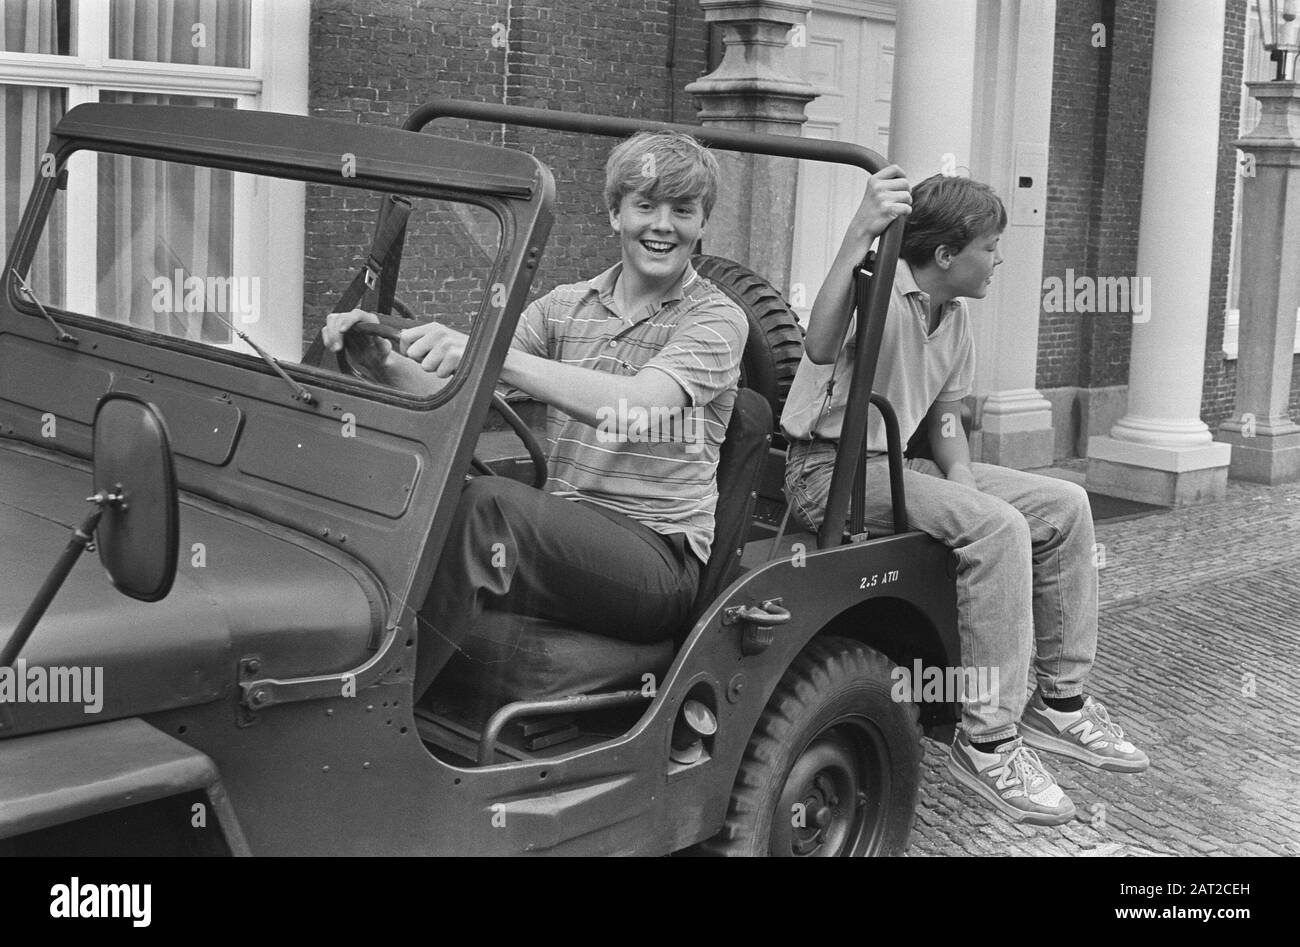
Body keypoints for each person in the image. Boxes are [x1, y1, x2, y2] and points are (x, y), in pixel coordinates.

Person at [780, 168, 1147, 826]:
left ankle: (1059, 703)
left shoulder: (955, 320)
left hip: (892, 464)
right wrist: (859, 230)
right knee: (999, 528)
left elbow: (946, 422)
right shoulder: (879, 287)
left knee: (1064, 507)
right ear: (947, 254)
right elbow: (820, 342)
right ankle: (988, 741)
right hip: (826, 471)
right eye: (991, 245)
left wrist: (965, 486)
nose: (1000, 258)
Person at [323, 131, 747, 698]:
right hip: (567, 532)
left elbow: (637, 409)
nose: (662, 225)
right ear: (615, 215)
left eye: (683, 210)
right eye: (645, 205)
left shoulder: (717, 320)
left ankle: (375, 711)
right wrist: (380, 363)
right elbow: (459, 388)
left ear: (703, 224)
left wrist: (493, 354)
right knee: (416, 490)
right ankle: (332, 658)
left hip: (657, 559)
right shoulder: (565, 307)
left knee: (488, 509)